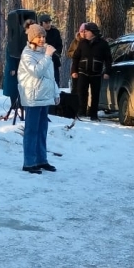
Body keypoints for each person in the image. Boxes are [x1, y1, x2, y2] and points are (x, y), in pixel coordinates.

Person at [17, 24, 61, 174]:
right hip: (33, 97)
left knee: (42, 130)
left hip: (45, 97)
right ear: (32, 38)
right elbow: (36, 72)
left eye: (43, 36)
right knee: (32, 130)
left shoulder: (44, 53)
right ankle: (29, 162)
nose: (42, 39)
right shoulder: (27, 54)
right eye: (39, 36)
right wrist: (48, 56)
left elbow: (50, 76)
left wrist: (56, 93)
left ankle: (42, 159)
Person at [70, 22, 112, 121]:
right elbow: (76, 58)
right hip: (82, 72)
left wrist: (107, 72)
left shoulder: (103, 44)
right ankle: (81, 112)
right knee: (81, 93)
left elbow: (108, 59)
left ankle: (93, 114)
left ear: (93, 32)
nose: (84, 33)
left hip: (96, 73)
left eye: (87, 31)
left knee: (95, 94)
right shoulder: (82, 43)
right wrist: (74, 71)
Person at [39, 14, 63, 86]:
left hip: (54, 60)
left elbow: (59, 45)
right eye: (46, 23)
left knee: (55, 82)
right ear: (41, 23)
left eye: (49, 22)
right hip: (42, 61)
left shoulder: (55, 32)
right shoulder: (38, 33)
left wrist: (56, 53)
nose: (48, 24)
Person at [66, 23, 86, 94]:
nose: (83, 33)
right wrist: (76, 54)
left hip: (86, 68)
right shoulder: (75, 41)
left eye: (85, 31)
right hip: (76, 67)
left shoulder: (90, 41)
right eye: (82, 31)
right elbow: (69, 53)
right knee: (76, 88)